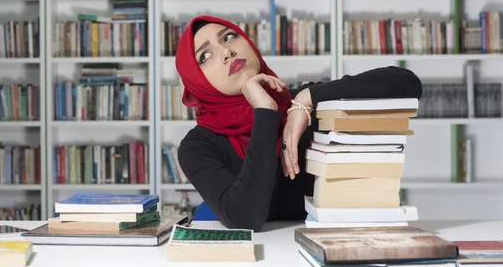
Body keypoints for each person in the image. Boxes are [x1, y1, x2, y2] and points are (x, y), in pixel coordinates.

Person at [175, 15, 423, 232]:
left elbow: (407, 84)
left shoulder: (303, 105)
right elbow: (246, 219)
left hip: (333, 239)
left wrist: (307, 98)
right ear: (197, 82)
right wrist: (265, 112)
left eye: (229, 37)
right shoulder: (196, 147)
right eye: (205, 56)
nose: (226, 52)